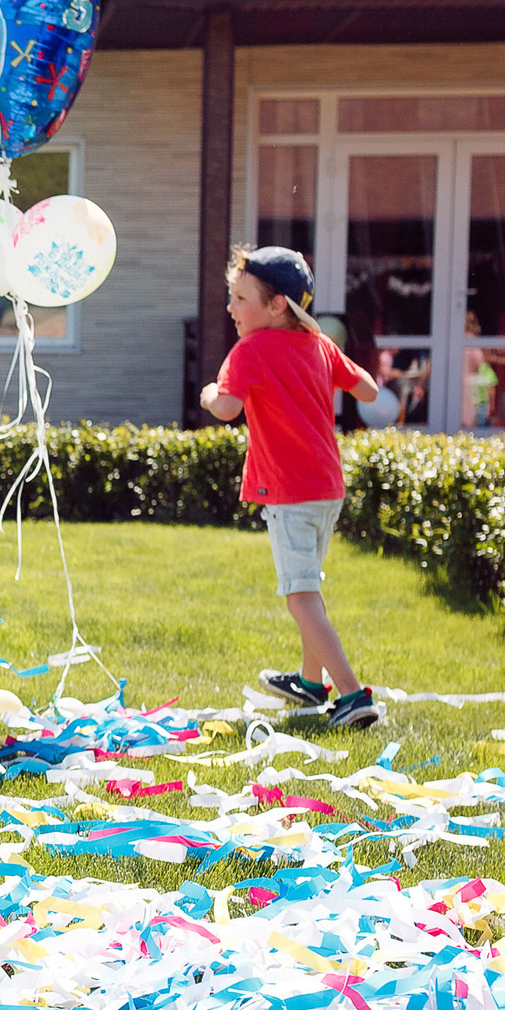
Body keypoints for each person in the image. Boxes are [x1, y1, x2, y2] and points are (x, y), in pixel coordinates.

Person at [197, 246, 387, 729]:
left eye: (240, 298)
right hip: (327, 489)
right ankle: (308, 681)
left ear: (277, 304)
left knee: (300, 597)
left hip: (289, 492)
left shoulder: (251, 350)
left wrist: (209, 392)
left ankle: (351, 694)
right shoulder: (319, 346)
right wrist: (327, 355)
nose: (231, 308)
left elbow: (226, 408)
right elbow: (367, 390)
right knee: (310, 588)